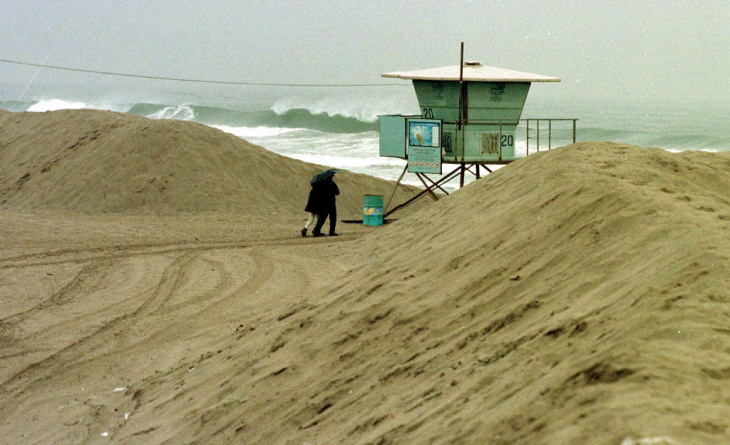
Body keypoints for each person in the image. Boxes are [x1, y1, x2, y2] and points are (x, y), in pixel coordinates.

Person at [302, 172, 339, 237]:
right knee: (332, 217)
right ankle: (331, 231)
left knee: (322, 218)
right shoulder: (332, 184)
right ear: (331, 177)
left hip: (323, 203)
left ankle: (316, 230)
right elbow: (337, 192)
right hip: (331, 202)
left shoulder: (320, 183)